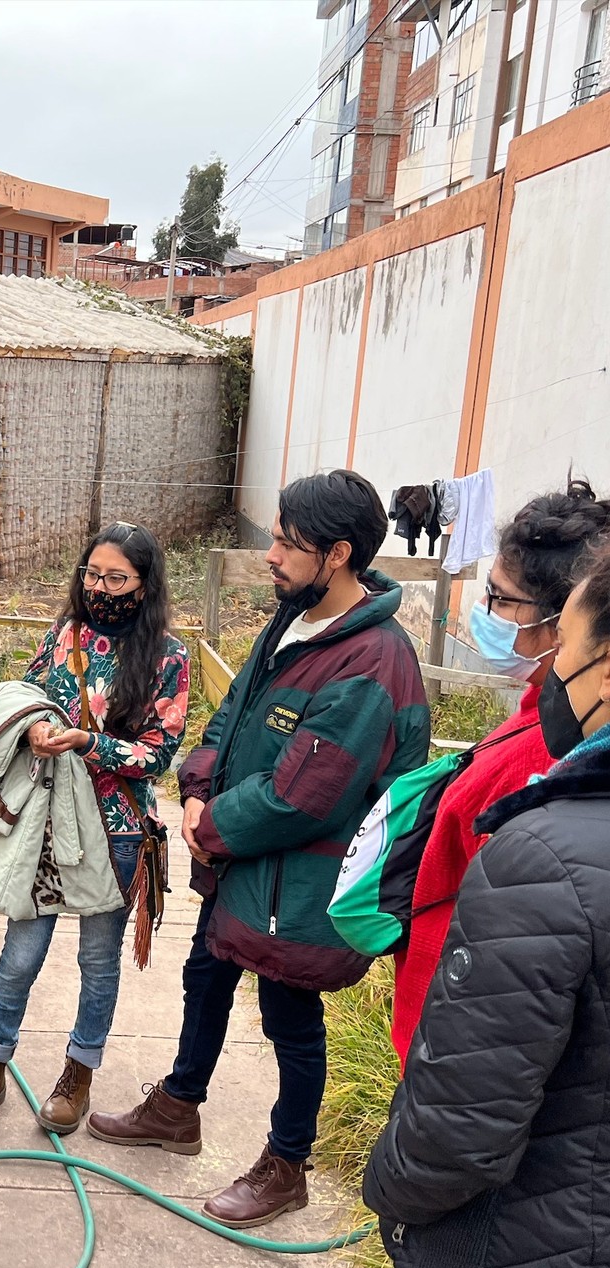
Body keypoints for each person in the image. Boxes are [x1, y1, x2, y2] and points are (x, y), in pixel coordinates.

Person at [319, 486, 610, 1268]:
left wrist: (397, 1196)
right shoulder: (538, 737)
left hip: (530, 1244)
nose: (496, 626)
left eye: (524, 616)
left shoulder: (552, 816)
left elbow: (468, 1123)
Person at [88, 470, 430, 1228]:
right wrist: (201, 785)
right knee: (204, 977)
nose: (270, 553)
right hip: (246, 865)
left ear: (337, 553)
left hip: (298, 883)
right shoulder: (296, 621)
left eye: (287, 541)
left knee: (290, 1017)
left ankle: (288, 1163)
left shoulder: (372, 661)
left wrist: (208, 824)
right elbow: (230, 718)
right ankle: (179, 1106)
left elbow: (307, 794)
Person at [0, 521, 190, 1137]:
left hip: (117, 829)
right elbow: (25, 695)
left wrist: (93, 743)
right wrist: (31, 726)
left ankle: (77, 1074)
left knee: (98, 959)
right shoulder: (64, 636)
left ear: (144, 584)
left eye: (116, 578)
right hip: (48, 822)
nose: (100, 588)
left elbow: (159, 753)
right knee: (18, 957)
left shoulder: (169, 657)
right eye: (92, 575)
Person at [391, 484, 610, 1062]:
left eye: (502, 599)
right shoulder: (536, 711)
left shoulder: (554, 758)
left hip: (458, 1033)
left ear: (570, 624)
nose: (483, 612)